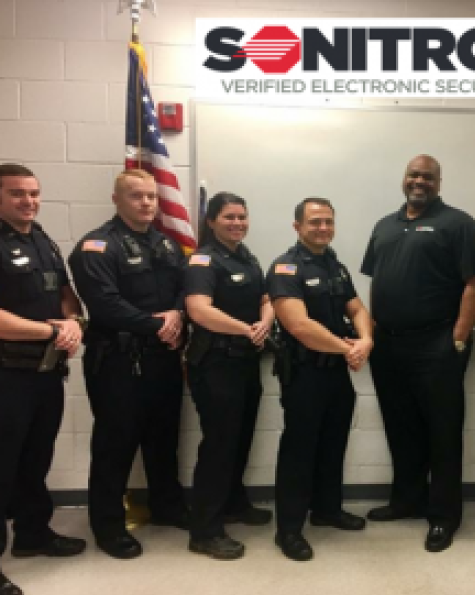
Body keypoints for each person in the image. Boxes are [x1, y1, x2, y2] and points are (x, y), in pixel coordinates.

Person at [361, 154, 475, 553]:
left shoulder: (460, 224)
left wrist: (458, 338)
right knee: (401, 428)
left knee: (442, 433)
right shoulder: (384, 225)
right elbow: (377, 280)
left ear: (439, 181)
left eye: (428, 176)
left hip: (437, 344)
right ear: (404, 179)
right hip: (389, 345)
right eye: (414, 175)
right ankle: (406, 501)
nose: (419, 181)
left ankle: (443, 517)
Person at [0, 163, 86, 595]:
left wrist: (73, 324)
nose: (28, 201)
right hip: (1, 378)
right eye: (17, 193)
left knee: (35, 461)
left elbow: (66, 297)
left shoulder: (43, 240)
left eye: (34, 192)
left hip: (45, 374)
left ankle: (33, 533)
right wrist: (51, 331)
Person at [68, 169, 188, 560]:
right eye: (136, 196)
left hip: (162, 359)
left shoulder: (167, 246)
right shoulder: (97, 247)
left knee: (163, 438)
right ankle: (107, 525)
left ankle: (167, 506)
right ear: (116, 199)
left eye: (152, 196)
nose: (147, 203)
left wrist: (178, 315)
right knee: (115, 444)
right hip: (118, 361)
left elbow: (186, 290)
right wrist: (160, 323)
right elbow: (105, 305)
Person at [266, 197, 373, 562]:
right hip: (305, 374)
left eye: (328, 221)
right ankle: (289, 530)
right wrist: (349, 350)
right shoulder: (285, 268)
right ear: (297, 226)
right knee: (299, 451)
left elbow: (356, 308)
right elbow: (299, 325)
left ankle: (327, 510)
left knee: (333, 443)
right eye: (315, 222)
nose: (323, 228)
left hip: (336, 375)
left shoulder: (336, 266)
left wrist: (366, 340)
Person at [184, 192, 274, 560]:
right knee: (219, 445)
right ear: (211, 221)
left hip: (244, 361)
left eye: (242, 216)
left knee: (240, 439)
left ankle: (234, 503)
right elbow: (198, 310)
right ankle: (205, 530)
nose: (237, 223)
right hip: (216, 364)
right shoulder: (204, 260)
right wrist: (244, 328)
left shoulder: (246, 256)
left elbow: (266, 297)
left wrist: (265, 322)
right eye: (229, 218)